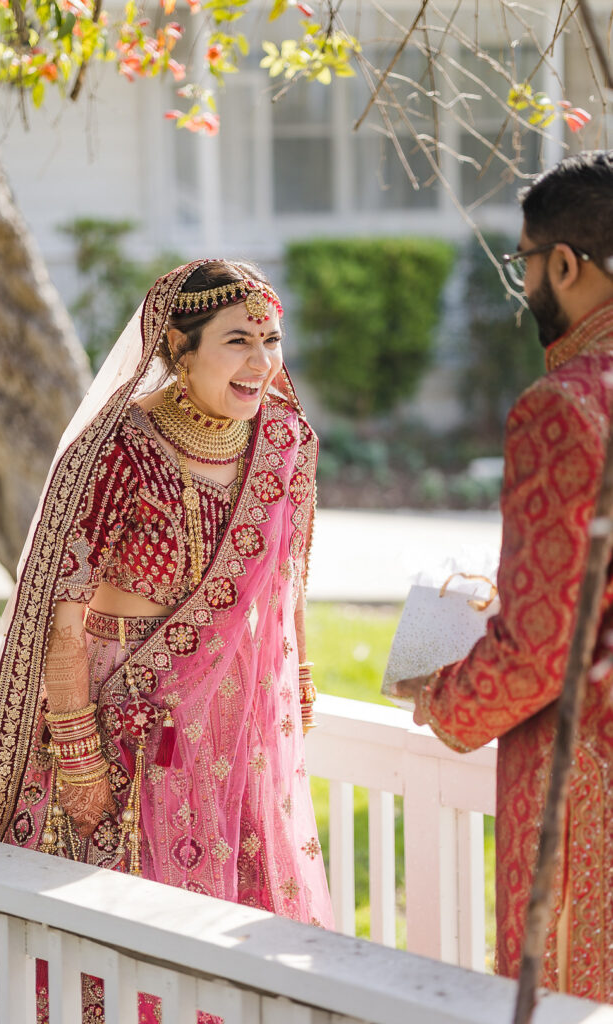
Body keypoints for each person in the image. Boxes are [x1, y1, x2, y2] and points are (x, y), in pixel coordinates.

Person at [0, 259, 333, 1021]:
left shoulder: (285, 441)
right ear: (179, 351)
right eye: (237, 341)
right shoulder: (122, 447)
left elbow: (288, 575)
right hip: (122, 720)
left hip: (233, 721)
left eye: (271, 340)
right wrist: (78, 754)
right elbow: (64, 614)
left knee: (235, 921)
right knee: (112, 921)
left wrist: (298, 685)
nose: (261, 362)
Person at [397, 151, 613, 1001]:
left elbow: (539, 649)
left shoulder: (564, 407)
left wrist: (444, 701)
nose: (523, 283)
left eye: (521, 261)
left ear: (562, 263)